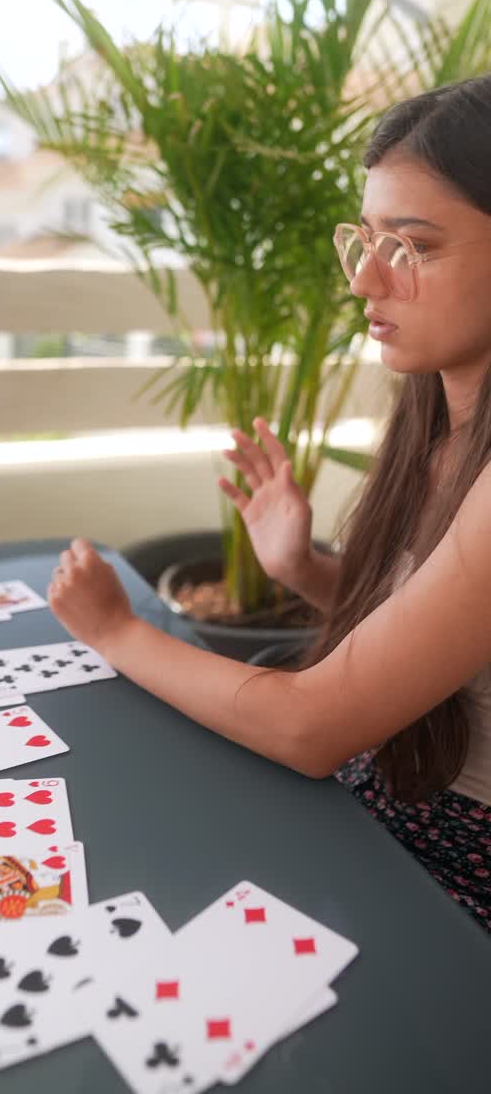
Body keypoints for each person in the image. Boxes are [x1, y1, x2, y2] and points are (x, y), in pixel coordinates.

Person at [48, 75, 491, 936]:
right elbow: (448, 643)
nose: (365, 281)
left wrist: (116, 629)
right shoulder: (438, 423)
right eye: (365, 241)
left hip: (450, 867)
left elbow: (311, 728)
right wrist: (304, 570)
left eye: (412, 247)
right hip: (391, 805)